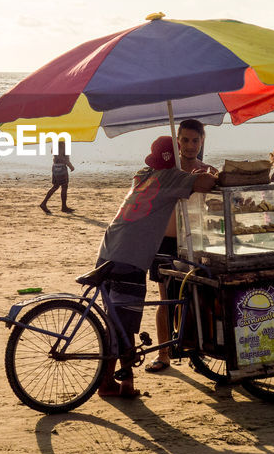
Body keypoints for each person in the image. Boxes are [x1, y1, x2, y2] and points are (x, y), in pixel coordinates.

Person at [95, 135, 218, 398]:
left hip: (109, 248)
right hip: (130, 255)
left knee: (117, 321)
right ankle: (108, 383)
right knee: (124, 323)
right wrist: (204, 174)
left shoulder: (143, 173)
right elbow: (208, 183)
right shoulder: (171, 177)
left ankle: (123, 383)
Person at [146, 119, 216, 373]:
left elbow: (215, 207)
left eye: (195, 140)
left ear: (202, 141)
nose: (189, 146)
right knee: (166, 299)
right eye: (184, 140)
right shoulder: (166, 170)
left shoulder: (208, 171)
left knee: (198, 297)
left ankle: (197, 351)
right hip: (165, 242)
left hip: (196, 241)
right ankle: (163, 353)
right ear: (177, 141)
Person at [39, 140, 74, 214]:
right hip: (61, 168)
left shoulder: (54, 144)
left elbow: (56, 156)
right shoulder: (62, 145)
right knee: (64, 186)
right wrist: (70, 166)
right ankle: (63, 207)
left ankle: (44, 203)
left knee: (56, 186)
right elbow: (62, 158)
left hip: (55, 167)